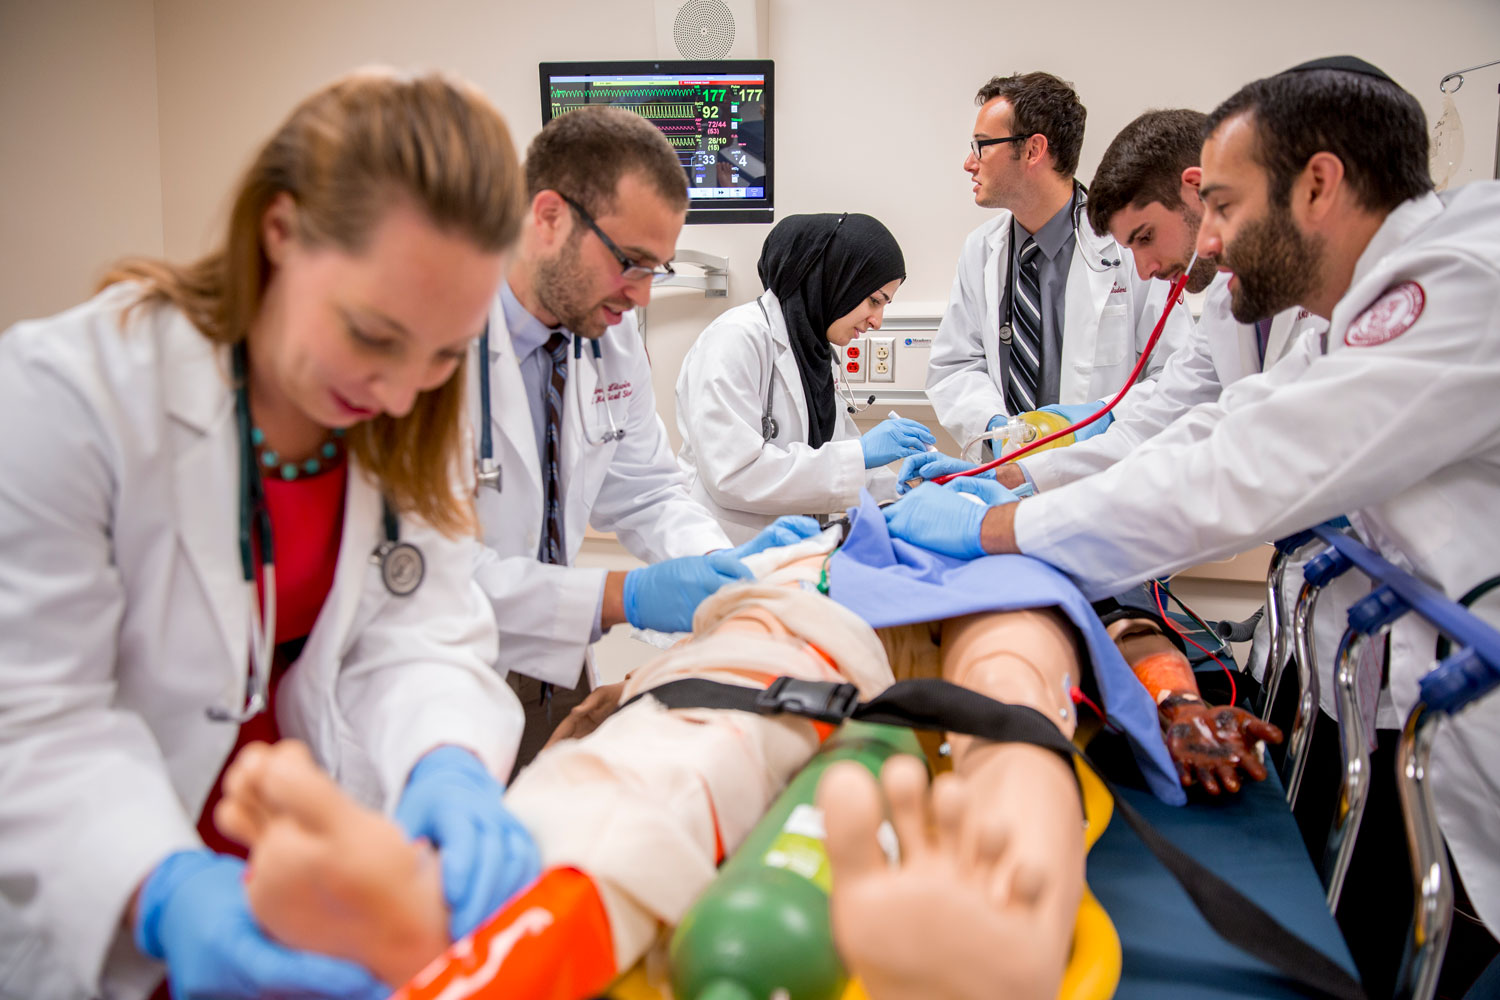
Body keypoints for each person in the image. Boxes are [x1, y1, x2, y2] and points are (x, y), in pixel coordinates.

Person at [883, 56, 1500, 994]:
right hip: (1389, 694)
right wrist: (1011, 487)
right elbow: (1202, 427)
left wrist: (996, 530)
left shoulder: (1450, 285)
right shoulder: (1341, 314)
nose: (1208, 240)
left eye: (1225, 205)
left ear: (1320, 185)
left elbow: (1240, 473)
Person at [201, 508, 1228, 999]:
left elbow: (1136, 629)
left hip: (994, 586)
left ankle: (1000, 930)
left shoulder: (1045, 523)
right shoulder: (859, 510)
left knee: (1015, 693)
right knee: (735, 688)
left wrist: (1172, 694)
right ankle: (502, 921)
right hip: (811, 594)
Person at [0, 70, 540, 999]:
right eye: (373, 335)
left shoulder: (405, 407)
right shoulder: (69, 398)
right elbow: (36, 720)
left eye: (446, 354)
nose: (403, 391)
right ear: (279, 231)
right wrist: (165, 890)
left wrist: (445, 759)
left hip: (309, 883)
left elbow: (420, 630)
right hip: (115, 888)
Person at [468, 105, 816, 768]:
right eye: (631, 262)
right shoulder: (442, 339)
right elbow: (422, 575)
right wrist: (620, 596)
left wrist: (721, 573)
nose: (644, 296)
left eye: (657, 268)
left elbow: (647, 489)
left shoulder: (607, 326)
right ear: (549, 218)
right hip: (434, 667)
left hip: (548, 661)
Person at [925, 72, 1193, 459]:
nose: (970, 162)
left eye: (983, 146)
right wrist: (995, 428)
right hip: (1007, 473)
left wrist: (1096, 420)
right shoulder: (981, 250)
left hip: (1103, 473)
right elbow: (955, 365)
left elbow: (1175, 373)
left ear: (1033, 150)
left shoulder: (1132, 246)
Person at [675, 212, 936, 543]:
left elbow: (842, 457)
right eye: (874, 301)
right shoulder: (735, 339)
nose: (877, 322)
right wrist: (862, 453)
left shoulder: (811, 353)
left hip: (786, 552)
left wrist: (911, 490)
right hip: (719, 548)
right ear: (837, 279)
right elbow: (732, 474)